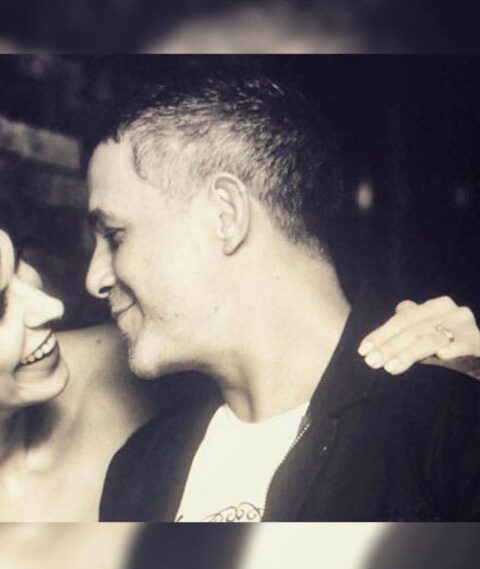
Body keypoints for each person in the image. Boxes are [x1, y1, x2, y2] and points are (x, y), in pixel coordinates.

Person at [0, 170, 477, 521]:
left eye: (19, 268)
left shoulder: (149, 365)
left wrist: (458, 353)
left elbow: (323, 372)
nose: (50, 306)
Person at [87, 69, 480, 521]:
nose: (94, 278)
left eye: (114, 236)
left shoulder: (446, 428)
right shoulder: (139, 469)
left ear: (225, 215)